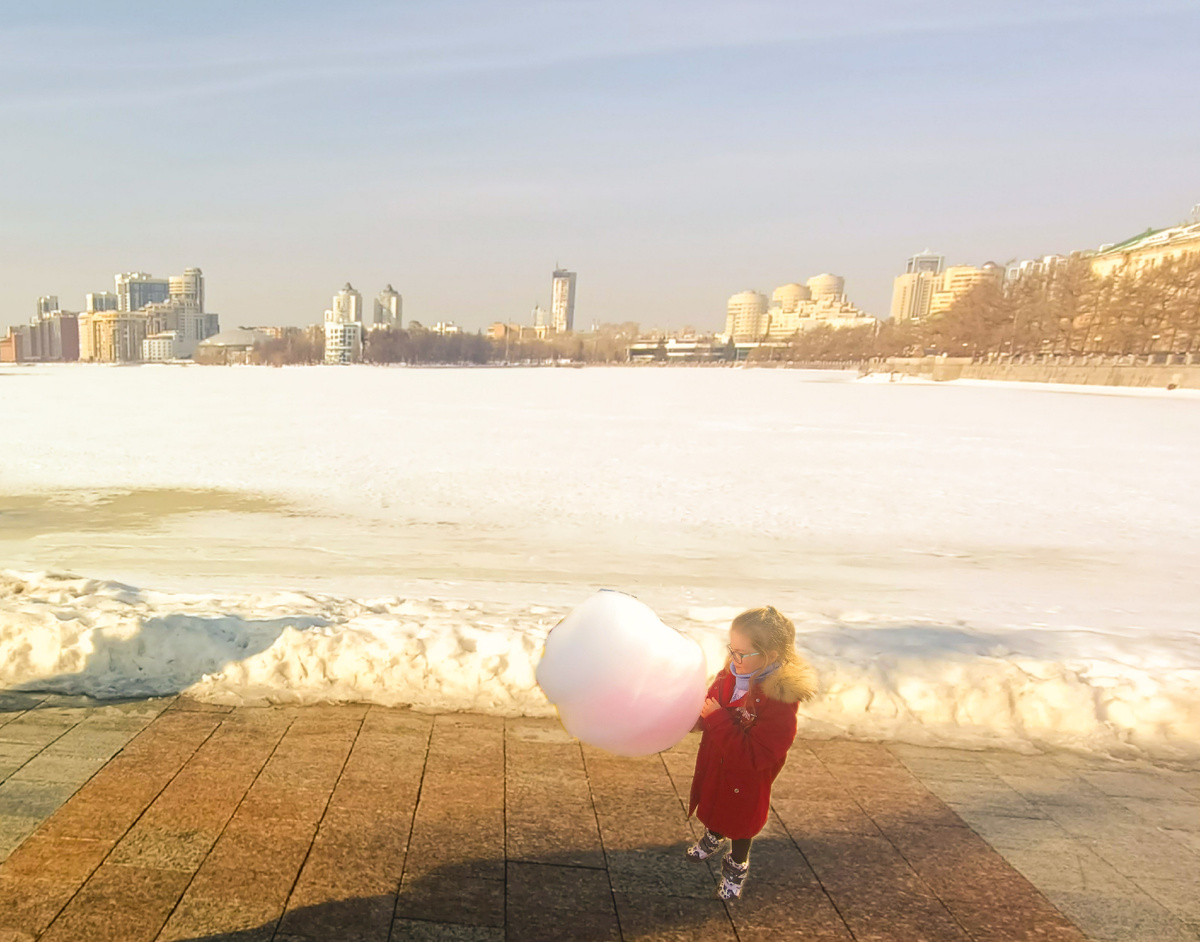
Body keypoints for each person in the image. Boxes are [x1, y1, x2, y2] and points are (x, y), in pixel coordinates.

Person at [685, 606, 817, 900]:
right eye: (731, 649)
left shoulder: (778, 702)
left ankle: (736, 866)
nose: (734, 659)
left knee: (740, 826)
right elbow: (708, 705)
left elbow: (756, 756)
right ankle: (712, 836)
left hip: (745, 781)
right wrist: (686, 720)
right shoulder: (729, 674)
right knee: (713, 805)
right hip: (716, 764)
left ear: (769, 656)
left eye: (741, 653)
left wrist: (717, 719)